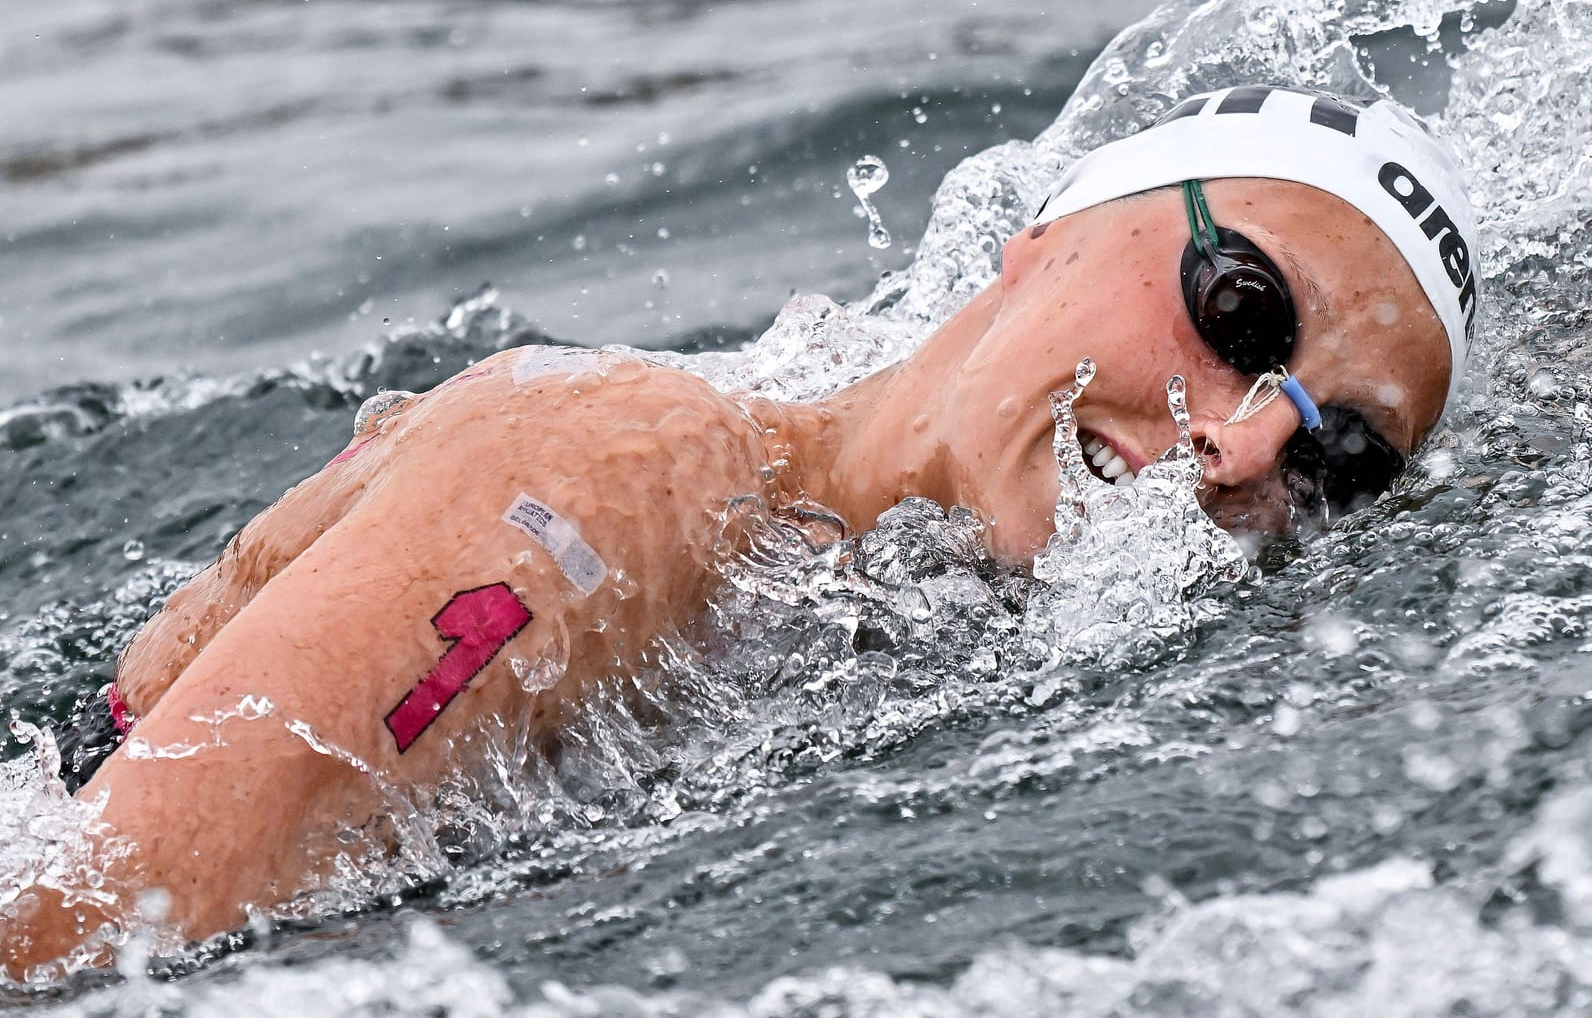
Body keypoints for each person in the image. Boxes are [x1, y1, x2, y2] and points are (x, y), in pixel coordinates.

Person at [1, 84, 1480, 978]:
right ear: (1050, 234)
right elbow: (82, 946)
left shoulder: (874, 614)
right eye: (1242, 313)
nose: (1240, 443)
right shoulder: (628, 473)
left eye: (1339, 455)